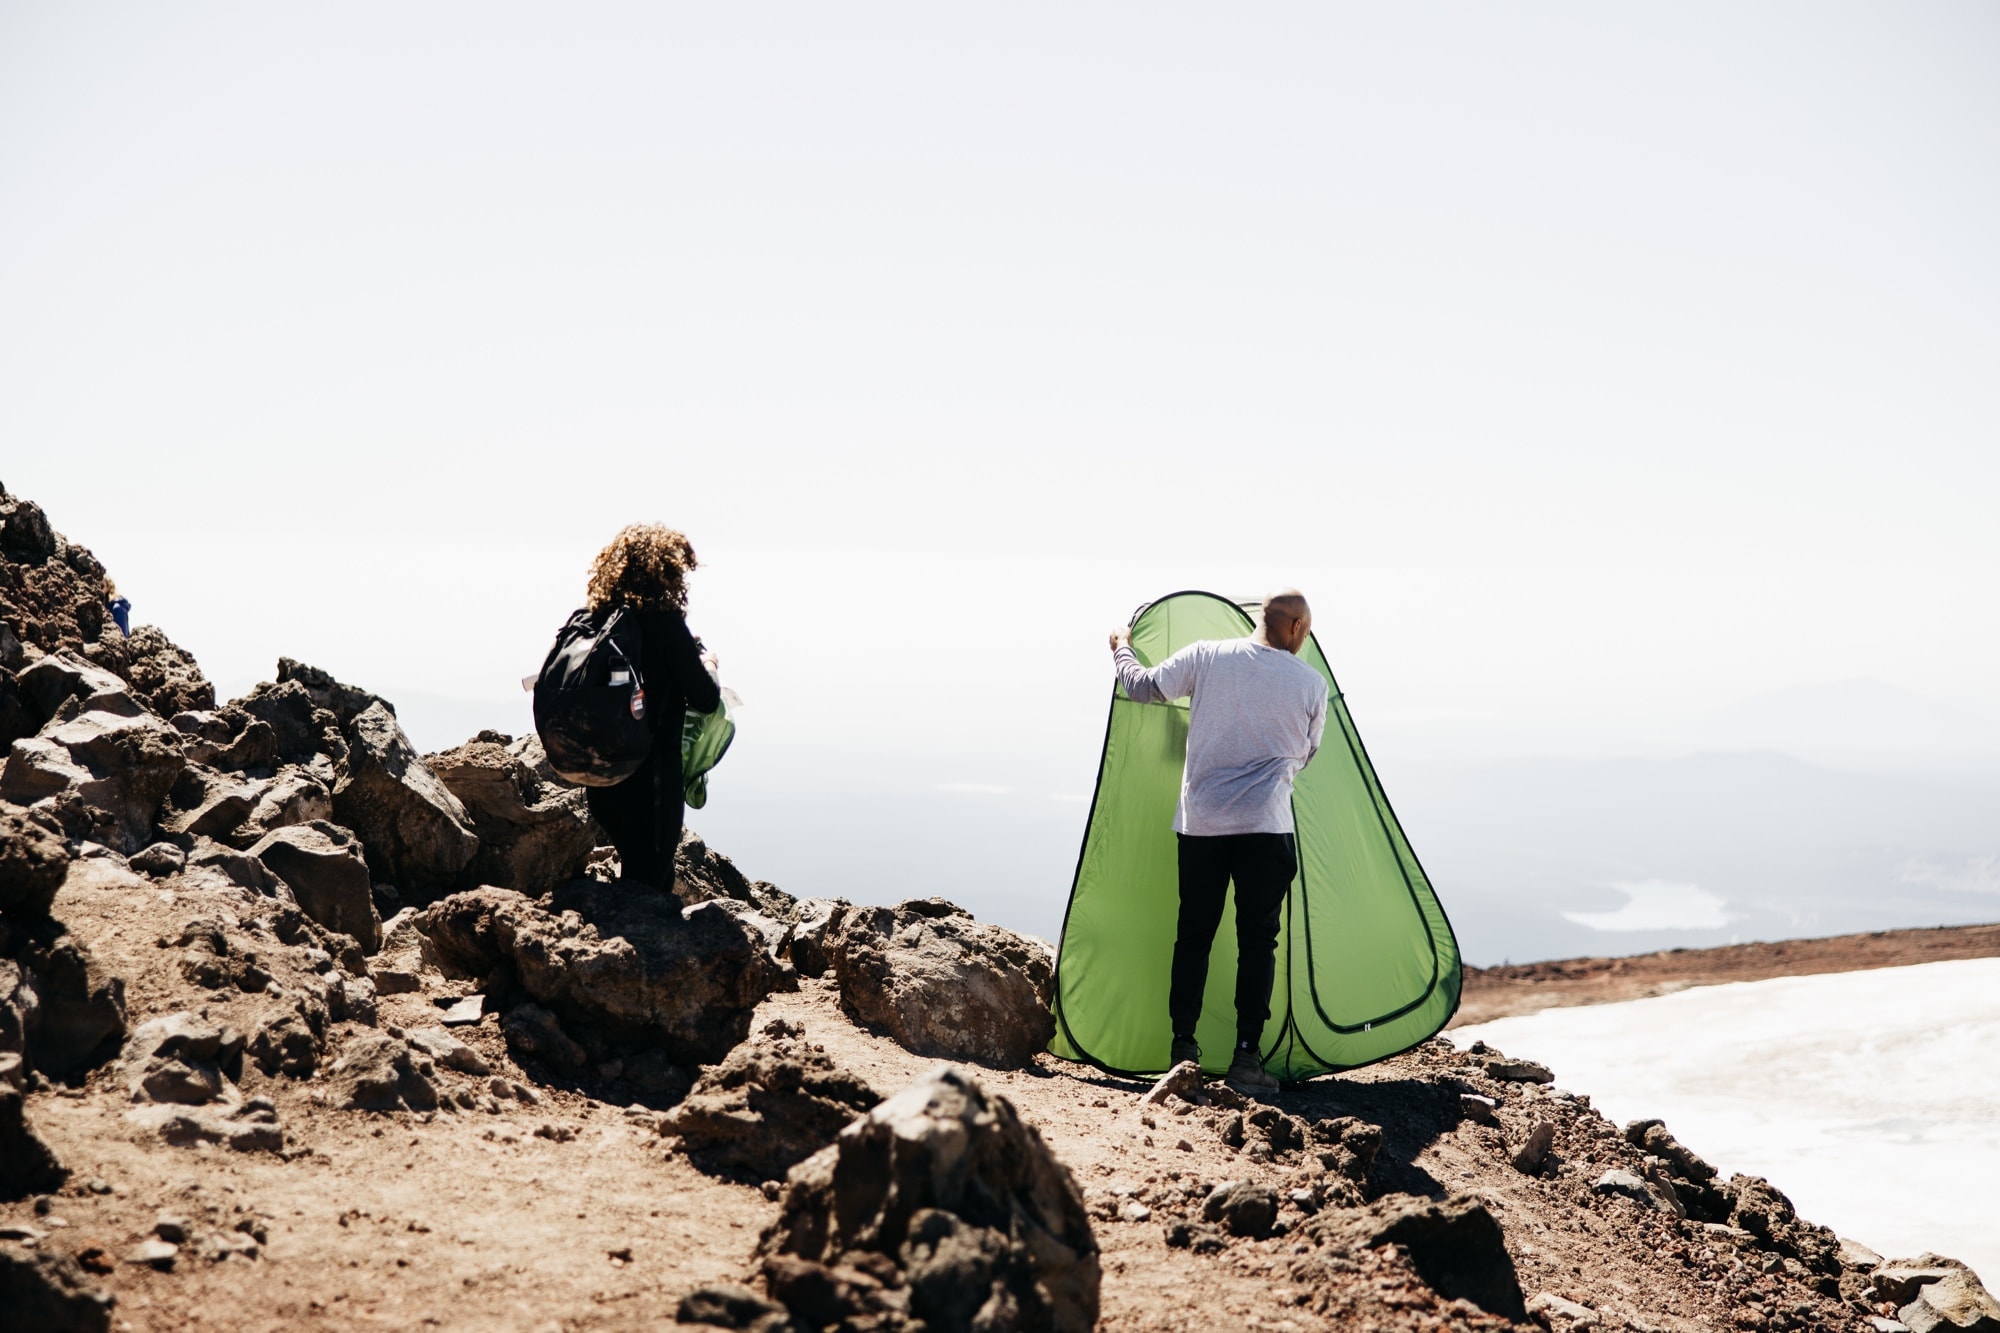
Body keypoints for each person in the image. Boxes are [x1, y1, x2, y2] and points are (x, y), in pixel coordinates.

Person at [1110, 590, 1328, 1094]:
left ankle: (1182, 1048)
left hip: (1203, 827)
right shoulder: (1311, 684)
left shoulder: (1206, 656)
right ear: (1295, 627)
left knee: (1195, 936)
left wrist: (1121, 644)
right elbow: (1305, 756)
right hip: (1267, 828)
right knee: (1258, 943)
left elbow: (1142, 689)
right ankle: (1247, 1062)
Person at [579, 524, 721, 894]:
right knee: (650, 885)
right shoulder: (665, 623)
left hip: (601, 778)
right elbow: (706, 698)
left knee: (634, 873)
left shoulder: (599, 619)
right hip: (652, 780)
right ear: (668, 573)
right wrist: (709, 665)